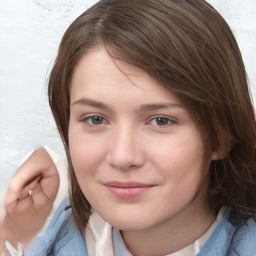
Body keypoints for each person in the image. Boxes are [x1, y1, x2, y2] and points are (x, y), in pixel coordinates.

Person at [1, 0, 256, 255]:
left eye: (161, 121)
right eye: (95, 119)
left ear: (220, 136)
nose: (122, 157)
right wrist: (14, 236)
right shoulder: (42, 230)